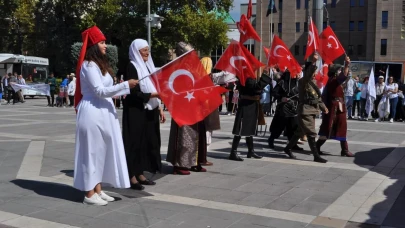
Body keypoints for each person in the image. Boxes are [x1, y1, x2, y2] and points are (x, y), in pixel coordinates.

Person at [73, 26, 138, 206]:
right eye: (102, 42)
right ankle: (88, 193)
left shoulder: (100, 65)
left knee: (101, 152)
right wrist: (125, 85)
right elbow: (99, 91)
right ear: (94, 45)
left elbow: (107, 90)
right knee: (91, 152)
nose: (106, 45)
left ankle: (98, 190)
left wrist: (124, 88)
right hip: (93, 111)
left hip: (103, 111)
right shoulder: (88, 65)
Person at [123, 39, 165, 191]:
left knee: (145, 142)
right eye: (144, 50)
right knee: (134, 143)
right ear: (136, 52)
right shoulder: (132, 66)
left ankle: (140, 173)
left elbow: (154, 85)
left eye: (148, 50)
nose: (147, 53)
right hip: (136, 109)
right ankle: (131, 175)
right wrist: (154, 95)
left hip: (149, 109)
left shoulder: (148, 66)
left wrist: (159, 107)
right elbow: (134, 92)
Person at [166, 42, 209, 175]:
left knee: (197, 134)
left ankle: (195, 162)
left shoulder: (194, 67)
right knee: (184, 135)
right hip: (183, 106)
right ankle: (180, 164)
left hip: (196, 104)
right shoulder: (177, 68)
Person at [283, 53, 329, 163]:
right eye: (313, 71)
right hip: (305, 111)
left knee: (299, 132)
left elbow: (317, 98)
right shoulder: (303, 81)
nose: (315, 73)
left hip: (312, 110)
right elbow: (307, 75)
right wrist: (313, 62)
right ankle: (316, 156)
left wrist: (324, 107)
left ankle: (287, 148)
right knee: (311, 133)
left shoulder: (313, 83)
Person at [229, 69, 272, 161]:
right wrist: (264, 76)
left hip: (251, 105)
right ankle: (233, 152)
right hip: (246, 105)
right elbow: (256, 88)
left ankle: (250, 151)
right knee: (240, 129)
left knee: (250, 128)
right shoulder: (246, 77)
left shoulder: (248, 77)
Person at [317, 57, 354, 157]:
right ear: (335, 72)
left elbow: (343, 78)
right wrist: (346, 65)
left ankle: (344, 150)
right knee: (328, 128)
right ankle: (316, 147)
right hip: (334, 109)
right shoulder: (333, 81)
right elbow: (343, 77)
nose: (340, 72)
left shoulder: (335, 81)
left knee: (342, 127)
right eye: (339, 70)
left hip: (339, 108)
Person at [267, 71, 302, 151]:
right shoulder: (282, 82)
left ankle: (293, 144)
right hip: (284, 108)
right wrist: (281, 97)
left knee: (293, 126)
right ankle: (271, 139)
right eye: (296, 73)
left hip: (294, 107)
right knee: (279, 125)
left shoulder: (298, 83)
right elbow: (274, 92)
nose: (297, 74)